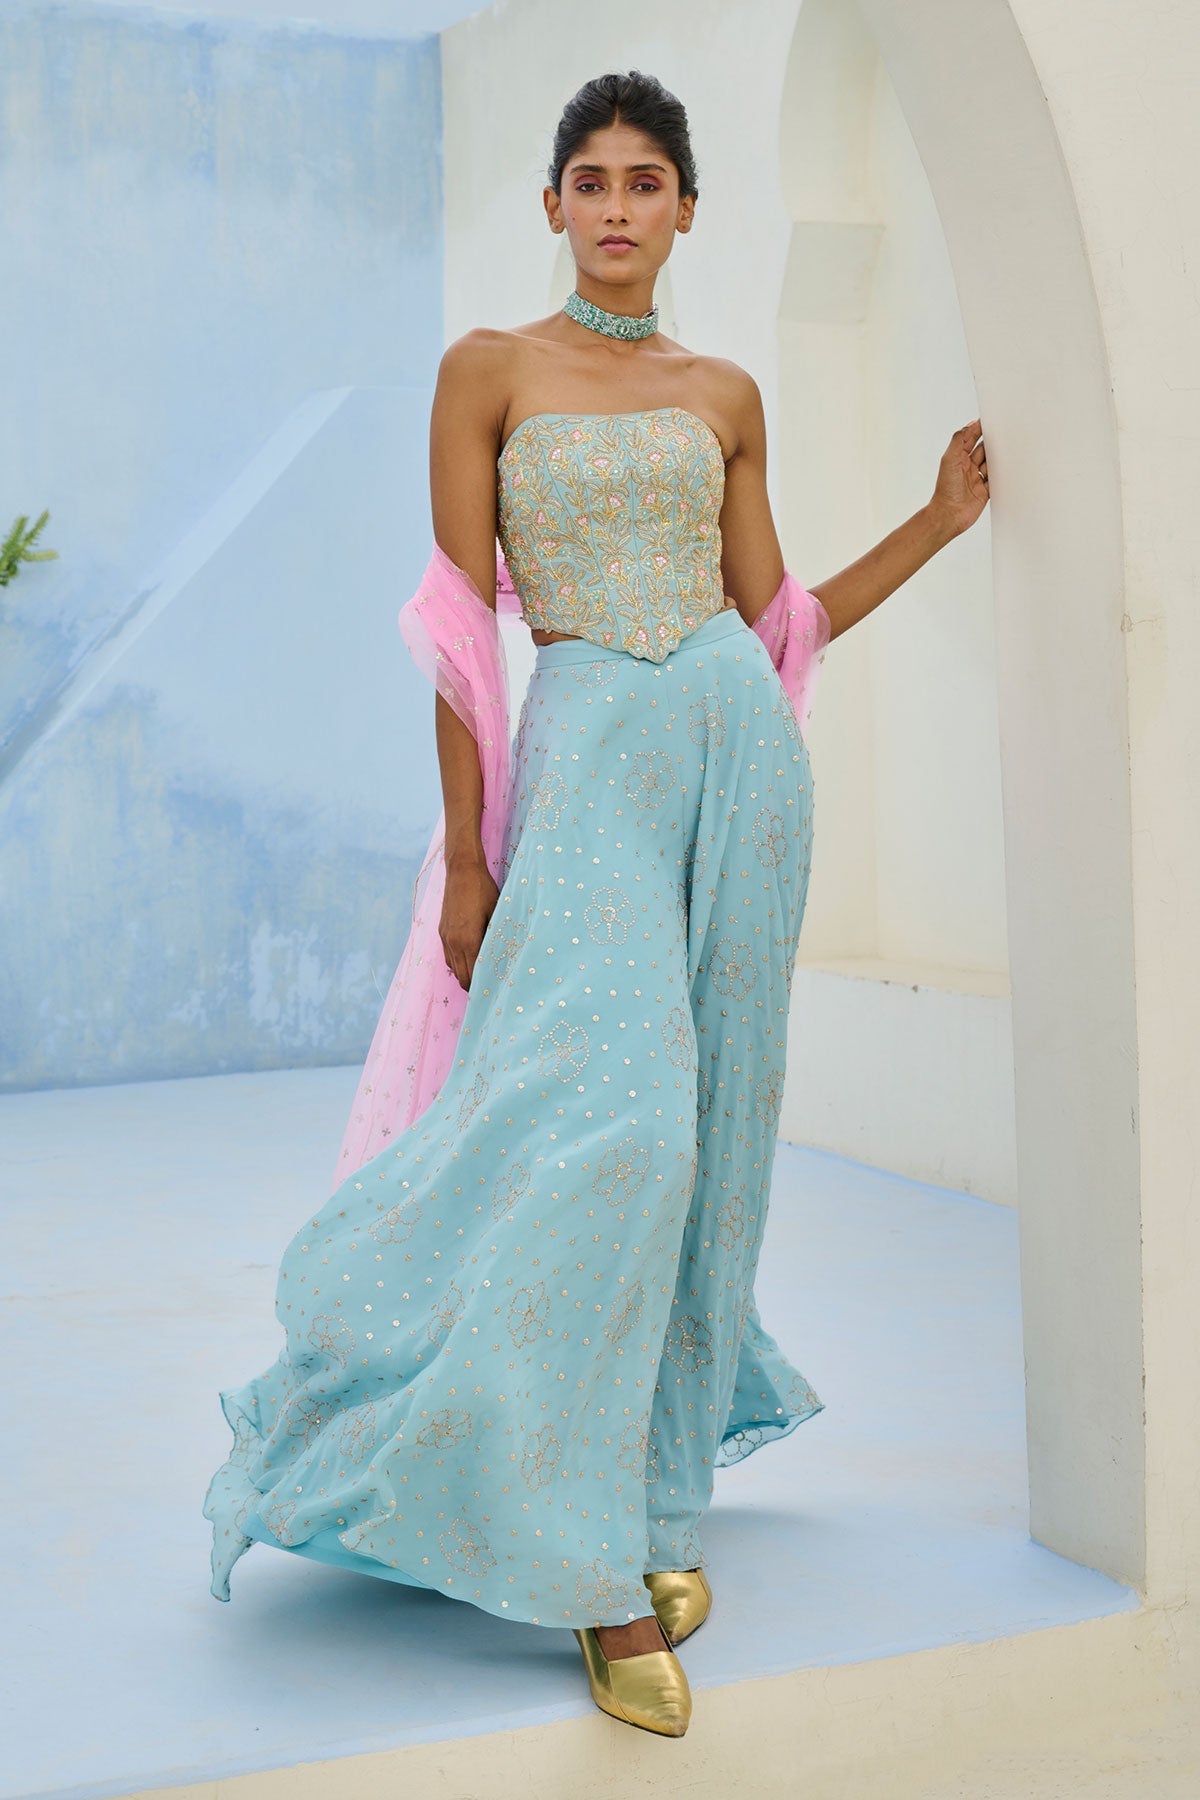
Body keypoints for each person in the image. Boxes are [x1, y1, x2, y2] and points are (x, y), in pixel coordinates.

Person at [203, 69, 989, 1739]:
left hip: (738, 769)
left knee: (702, 1148)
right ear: (552, 205)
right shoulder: (487, 371)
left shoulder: (726, 393)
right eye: (592, 180)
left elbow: (777, 625)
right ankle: (586, 1568)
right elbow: (457, 626)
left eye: (648, 181)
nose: (619, 206)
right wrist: (468, 853)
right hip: (586, 773)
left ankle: (647, 1500)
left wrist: (938, 521)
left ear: (689, 210)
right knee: (607, 1130)